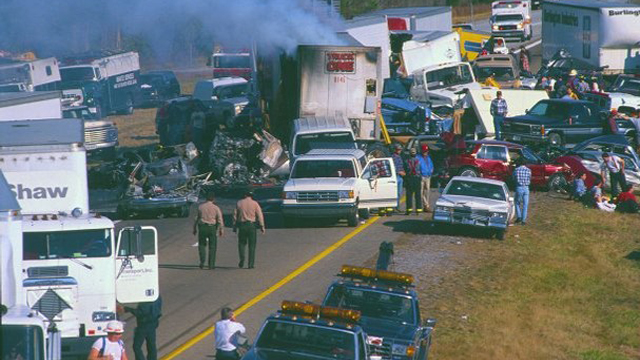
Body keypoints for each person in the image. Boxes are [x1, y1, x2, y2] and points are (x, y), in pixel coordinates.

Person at [233, 191, 265, 269]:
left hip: (242, 225)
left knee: (241, 244)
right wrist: (262, 226)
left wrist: (234, 226)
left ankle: (242, 259)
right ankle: (250, 264)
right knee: (252, 245)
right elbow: (260, 215)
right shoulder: (255, 203)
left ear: (244, 195)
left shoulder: (239, 203)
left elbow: (235, 215)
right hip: (251, 225)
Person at [193, 193, 224, 270]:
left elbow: (196, 218)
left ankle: (202, 261)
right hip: (212, 228)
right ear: (213, 199)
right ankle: (211, 264)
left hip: (202, 227)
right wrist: (221, 229)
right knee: (212, 246)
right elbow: (220, 219)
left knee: (202, 245)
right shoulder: (216, 208)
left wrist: (194, 228)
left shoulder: (201, 207)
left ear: (206, 199)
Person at [404, 148, 422, 215]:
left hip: (409, 178)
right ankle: (418, 209)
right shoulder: (419, 161)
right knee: (418, 195)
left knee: (409, 195)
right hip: (417, 178)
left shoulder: (406, 161)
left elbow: (405, 169)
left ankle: (409, 209)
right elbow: (421, 169)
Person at [513, 158, 531, 225]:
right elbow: (529, 178)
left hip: (519, 187)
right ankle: (523, 220)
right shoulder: (529, 170)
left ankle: (519, 217)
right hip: (526, 188)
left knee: (517, 203)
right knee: (525, 205)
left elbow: (513, 178)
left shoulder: (516, 170)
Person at [418, 144, 434, 212]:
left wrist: (431, 170)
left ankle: (426, 205)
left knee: (427, 191)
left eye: (426, 151)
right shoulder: (418, 158)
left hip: (428, 176)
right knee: (421, 191)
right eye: (424, 151)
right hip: (421, 176)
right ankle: (426, 205)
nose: (425, 153)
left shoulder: (428, 158)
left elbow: (431, 165)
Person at [391, 144, 406, 212]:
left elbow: (401, 166)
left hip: (400, 177)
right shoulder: (393, 157)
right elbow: (392, 168)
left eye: (400, 150)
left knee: (399, 193)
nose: (399, 151)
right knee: (395, 193)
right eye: (398, 149)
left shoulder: (399, 157)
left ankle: (397, 206)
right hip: (396, 176)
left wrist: (403, 171)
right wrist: (399, 172)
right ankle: (394, 206)